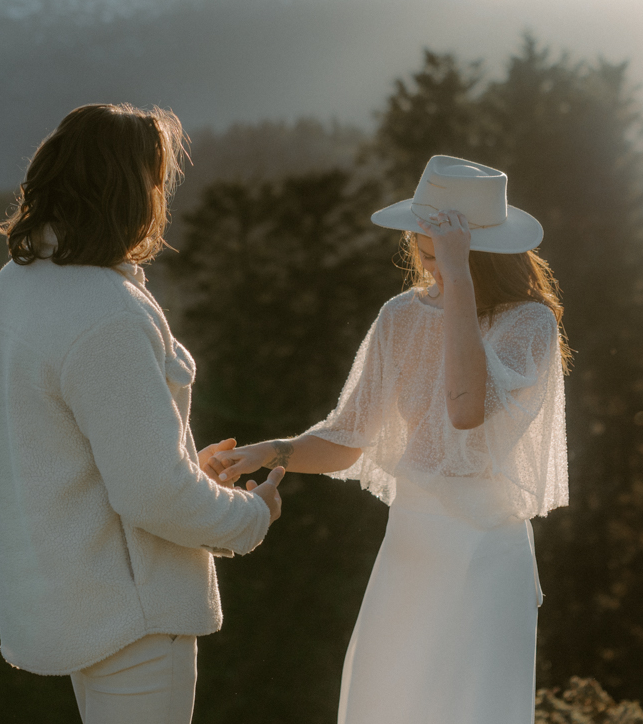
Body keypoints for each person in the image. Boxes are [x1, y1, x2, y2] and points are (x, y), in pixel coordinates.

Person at [206, 154, 570, 724]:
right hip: (410, 545)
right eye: (423, 251)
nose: (428, 263)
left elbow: (466, 410)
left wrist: (458, 284)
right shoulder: (400, 316)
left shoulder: (530, 325)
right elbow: (348, 438)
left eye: (443, 252)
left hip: (484, 556)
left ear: (482, 254)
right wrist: (270, 450)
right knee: (386, 702)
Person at [0, 103, 286, 724]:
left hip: (69, 601)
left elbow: (63, 449)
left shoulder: (12, 290)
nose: (159, 195)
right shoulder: (107, 313)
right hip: (133, 617)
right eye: (154, 179)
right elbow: (152, 496)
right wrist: (251, 515)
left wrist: (181, 468)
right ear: (124, 190)